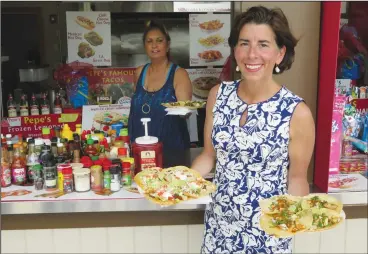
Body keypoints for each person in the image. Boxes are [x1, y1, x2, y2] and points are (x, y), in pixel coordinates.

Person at [191, 6, 315, 253]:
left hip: (267, 238)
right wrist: (182, 184)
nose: (252, 54)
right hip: (218, 233)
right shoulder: (218, 95)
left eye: (263, 45)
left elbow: (297, 178)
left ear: (280, 54)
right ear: (235, 51)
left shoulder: (296, 112)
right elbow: (208, 155)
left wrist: (296, 217)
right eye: (244, 43)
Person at [128, 20, 192, 165]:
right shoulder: (139, 72)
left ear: (167, 45)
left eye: (159, 41)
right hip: (140, 148)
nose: (154, 45)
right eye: (149, 41)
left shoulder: (179, 74)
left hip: (171, 150)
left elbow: (185, 112)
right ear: (145, 46)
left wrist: (183, 109)